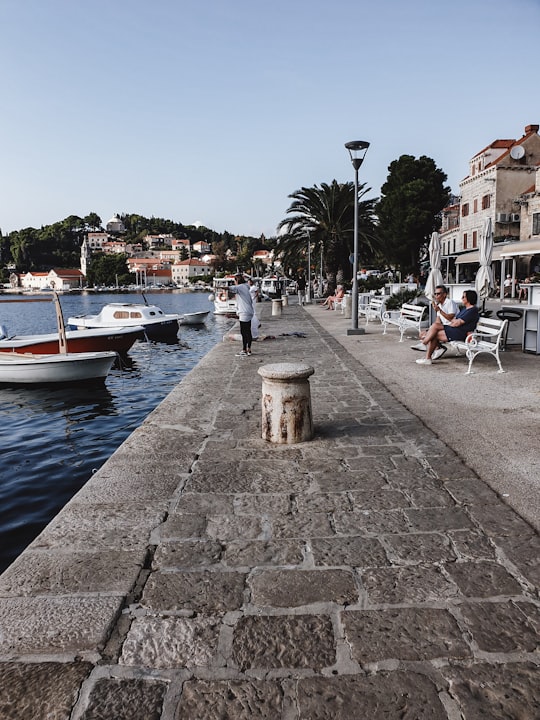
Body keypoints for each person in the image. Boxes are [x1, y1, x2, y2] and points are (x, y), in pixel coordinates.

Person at [416, 289, 479, 366]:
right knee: (435, 329)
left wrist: (441, 312)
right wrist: (453, 322)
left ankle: (425, 349)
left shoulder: (472, 310)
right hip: (456, 330)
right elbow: (454, 321)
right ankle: (427, 356)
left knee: (435, 330)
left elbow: (457, 323)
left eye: (463, 297)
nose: (461, 298)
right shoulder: (466, 309)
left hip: (461, 333)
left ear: (469, 299)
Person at [411, 285, 458, 355]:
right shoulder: (439, 305)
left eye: (438, 294)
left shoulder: (449, 302)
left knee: (433, 333)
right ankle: (438, 348)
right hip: (444, 326)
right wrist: (430, 330)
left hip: (452, 327)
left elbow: (451, 318)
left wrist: (439, 310)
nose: (436, 296)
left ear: (445, 294)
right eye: (435, 294)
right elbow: (438, 320)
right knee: (423, 334)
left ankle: (425, 345)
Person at [229, 274, 254, 356]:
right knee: (248, 331)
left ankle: (244, 350)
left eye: (235, 281)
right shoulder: (245, 287)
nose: (234, 283)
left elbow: (231, 288)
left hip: (244, 312)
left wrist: (219, 287)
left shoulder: (240, 287)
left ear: (237, 280)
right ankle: (249, 349)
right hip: (249, 311)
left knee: (244, 332)